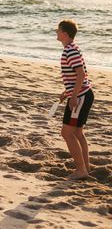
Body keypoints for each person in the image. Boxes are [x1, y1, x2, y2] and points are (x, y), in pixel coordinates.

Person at [56, 19, 94, 180]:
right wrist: (67, 91)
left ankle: (81, 170)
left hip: (80, 96)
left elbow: (81, 74)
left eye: (58, 30)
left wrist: (73, 96)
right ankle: (85, 167)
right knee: (77, 132)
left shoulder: (70, 50)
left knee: (67, 133)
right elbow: (76, 76)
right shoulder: (72, 48)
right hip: (82, 93)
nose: (56, 33)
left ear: (64, 33)